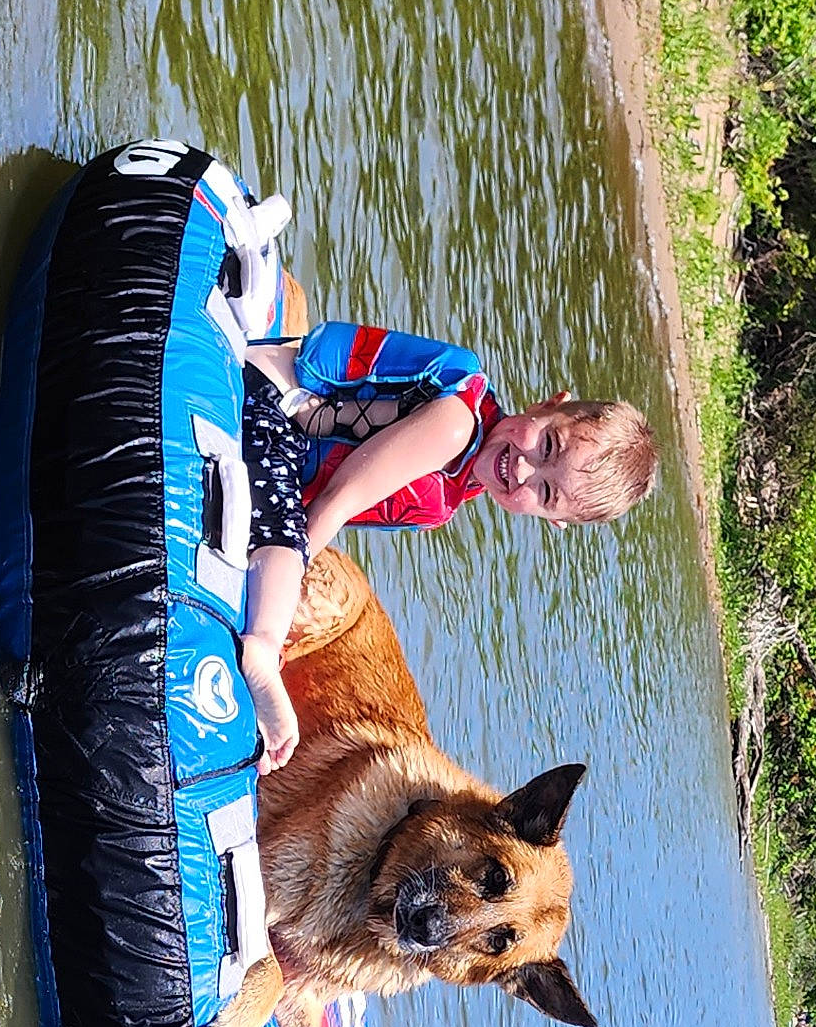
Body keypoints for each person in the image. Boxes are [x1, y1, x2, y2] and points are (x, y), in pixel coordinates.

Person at [235, 290, 659, 770]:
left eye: (544, 492)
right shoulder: (457, 421)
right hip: (267, 400)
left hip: (282, 463)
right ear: (547, 404)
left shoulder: (444, 502)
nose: (523, 471)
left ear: (552, 520)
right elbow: (334, 503)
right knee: (287, 544)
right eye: (547, 445)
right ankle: (260, 651)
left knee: (284, 547)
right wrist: (273, 626)